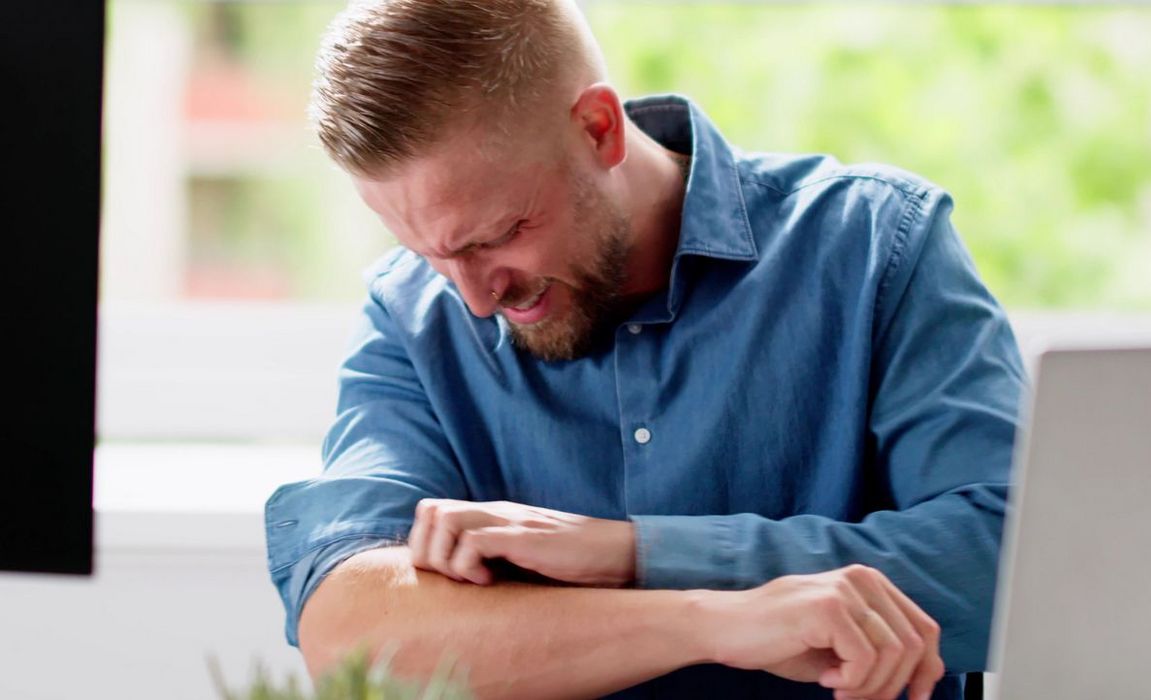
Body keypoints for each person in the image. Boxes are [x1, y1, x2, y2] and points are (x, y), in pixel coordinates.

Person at [264, 1, 1027, 698]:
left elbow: (1017, 562)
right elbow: (355, 628)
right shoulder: (409, 320)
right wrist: (715, 616)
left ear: (599, 128)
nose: (475, 298)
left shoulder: (873, 247)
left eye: (499, 234)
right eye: (431, 253)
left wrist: (629, 553)